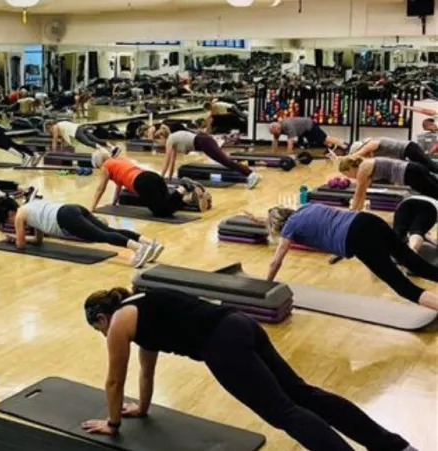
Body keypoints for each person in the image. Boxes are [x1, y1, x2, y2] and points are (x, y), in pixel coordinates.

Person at [80, 287, 417, 451]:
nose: (103, 335)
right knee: (304, 395)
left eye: (98, 329)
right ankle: (394, 447)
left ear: (101, 318)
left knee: (284, 412)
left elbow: (113, 380)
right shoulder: (141, 305)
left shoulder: (119, 323)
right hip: (239, 323)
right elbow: (145, 371)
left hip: (221, 344)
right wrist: (142, 406)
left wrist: (112, 423)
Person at [257, 203, 438, 311]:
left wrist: (267, 284)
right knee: (416, 264)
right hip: (368, 220)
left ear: (278, 226)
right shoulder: (306, 207)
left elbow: (276, 261)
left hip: (357, 237)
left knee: (403, 288)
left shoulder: (289, 228)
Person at [0, 197, 163, 268]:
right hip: (71, 208)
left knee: (101, 236)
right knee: (108, 230)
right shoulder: (30, 206)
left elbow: (20, 245)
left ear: (9, 214)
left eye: (6, 221)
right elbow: (37, 240)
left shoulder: (20, 216)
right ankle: (148, 243)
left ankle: (138, 249)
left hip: (65, 217)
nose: (9, 223)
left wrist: (11, 237)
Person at [90, 152, 211, 217]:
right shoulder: (119, 160)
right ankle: (188, 198)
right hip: (152, 176)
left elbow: (101, 188)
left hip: (142, 183)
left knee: (160, 212)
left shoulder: (105, 166)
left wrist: (93, 208)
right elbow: (119, 185)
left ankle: (183, 187)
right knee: (167, 206)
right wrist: (114, 202)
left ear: (99, 163)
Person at [155, 129, 260, 189]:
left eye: (157, 141)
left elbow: (166, 160)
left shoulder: (170, 140)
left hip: (203, 142)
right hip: (204, 142)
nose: (158, 144)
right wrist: (168, 179)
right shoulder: (173, 141)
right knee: (225, 161)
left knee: (226, 161)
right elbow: (172, 161)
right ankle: (249, 174)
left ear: (161, 137)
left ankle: (250, 174)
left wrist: (160, 178)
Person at [337, 156, 438, 208]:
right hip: (413, 169)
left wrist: (352, 213)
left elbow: (358, 193)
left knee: (433, 194)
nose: (349, 177)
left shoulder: (362, 170)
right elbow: (363, 193)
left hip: (410, 173)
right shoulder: (365, 165)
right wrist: (357, 211)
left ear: (349, 169)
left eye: (347, 174)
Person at [348, 137, 438, 174]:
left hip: (409, 149)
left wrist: (351, 156)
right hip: (407, 152)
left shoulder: (371, 143)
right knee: (424, 169)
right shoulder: (372, 154)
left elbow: (370, 147)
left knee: (431, 167)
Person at [269, 117, 346, 153]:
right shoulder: (277, 129)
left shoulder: (287, 125)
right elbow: (275, 141)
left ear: (276, 128)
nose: (275, 134)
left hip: (309, 125)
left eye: (274, 133)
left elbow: (290, 143)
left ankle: (344, 145)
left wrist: (289, 156)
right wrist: (274, 154)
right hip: (304, 131)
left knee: (324, 138)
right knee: (319, 141)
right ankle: (332, 146)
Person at [45, 120, 120, 156]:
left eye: (48, 129)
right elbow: (62, 141)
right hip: (80, 127)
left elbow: (54, 140)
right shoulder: (60, 126)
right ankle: (113, 148)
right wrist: (61, 150)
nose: (50, 132)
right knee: (96, 140)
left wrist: (53, 153)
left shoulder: (55, 127)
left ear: (49, 126)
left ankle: (106, 153)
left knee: (88, 143)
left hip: (76, 131)